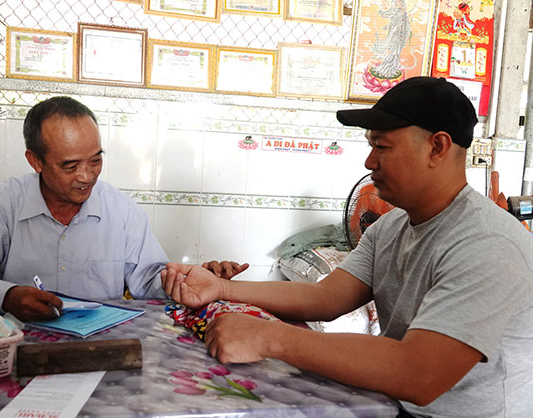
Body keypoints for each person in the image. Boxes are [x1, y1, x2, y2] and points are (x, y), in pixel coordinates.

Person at [161, 77, 533, 417]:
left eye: (382, 147)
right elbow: (326, 298)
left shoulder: (489, 244)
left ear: (437, 147)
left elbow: (420, 374)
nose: (369, 162)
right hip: (394, 407)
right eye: (370, 146)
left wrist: (270, 337)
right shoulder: (390, 227)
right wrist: (221, 288)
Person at [0, 97, 171, 322]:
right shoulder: (2, 205)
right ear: (35, 161)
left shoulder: (122, 211)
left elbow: (150, 281)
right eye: (70, 166)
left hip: (102, 344)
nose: (86, 176)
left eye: (95, 161)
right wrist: (6, 296)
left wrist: (175, 284)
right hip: (21, 342)